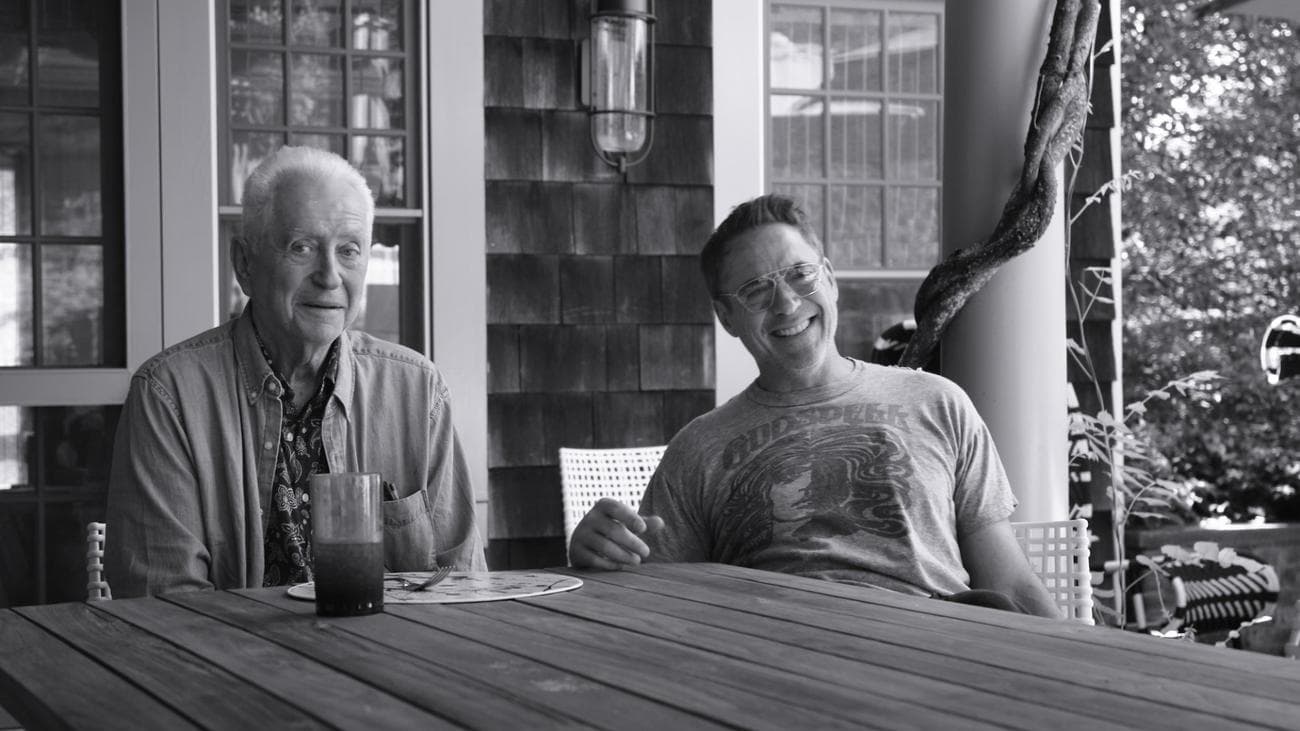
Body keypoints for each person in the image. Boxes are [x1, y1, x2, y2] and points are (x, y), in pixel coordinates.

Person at [568, 194, 1059, 618]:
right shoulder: (698, 448)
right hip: (781, 665)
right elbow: (653, 601)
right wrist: (598, 559)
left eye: (800, 274)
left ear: (830, 280)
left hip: (935, 647)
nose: (785, 303)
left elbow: (1009, 581)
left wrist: (1093, 672)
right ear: (726, 317)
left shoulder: (937, 402)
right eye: (755, 290)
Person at [106, 146, 484, 597]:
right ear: (244, 264)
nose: (329, 275)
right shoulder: (171, 396)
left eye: (349, 250)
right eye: (301, 247)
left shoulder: (417, 391)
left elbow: (463, 586)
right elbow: (168, 608)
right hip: (230, 662)